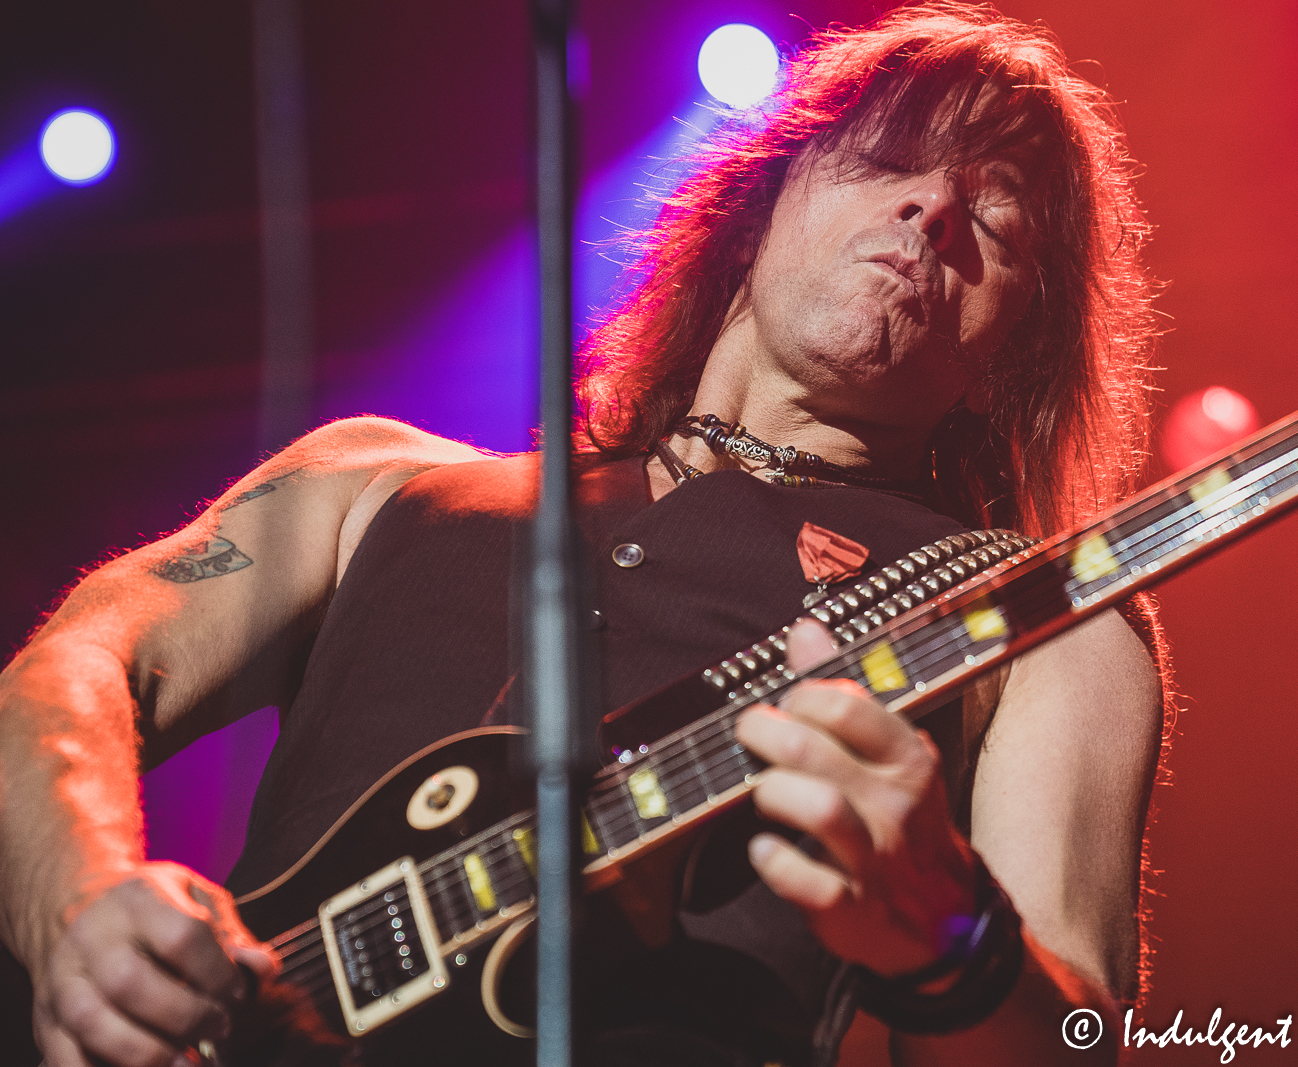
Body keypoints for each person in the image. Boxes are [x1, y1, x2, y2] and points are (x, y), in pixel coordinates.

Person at [0, 4, 1165, 1065]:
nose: (934, 209)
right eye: (890, 162)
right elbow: (74, 668)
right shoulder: (371, 478)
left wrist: (951, 937)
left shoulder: (1041, 623)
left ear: (1006, 357)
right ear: (756, 211)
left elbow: (1073, 1036)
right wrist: (82, 906)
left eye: (996, 220)